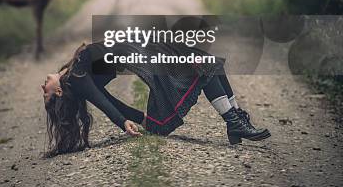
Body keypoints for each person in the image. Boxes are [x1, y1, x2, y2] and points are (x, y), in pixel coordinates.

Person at [42, 41, 270, 156]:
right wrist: (126, 122)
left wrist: (138, 118)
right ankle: (233, 121)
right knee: (199, 66)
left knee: (208, 62)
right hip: (144, 54)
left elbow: (106, 98)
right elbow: (104, 103)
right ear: (59, 92)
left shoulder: (76, 74)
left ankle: (237, 119)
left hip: (142, 46)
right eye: (46, 93)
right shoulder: (76, 78)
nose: (42, 86)